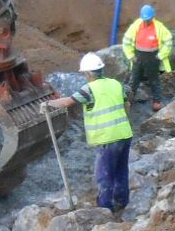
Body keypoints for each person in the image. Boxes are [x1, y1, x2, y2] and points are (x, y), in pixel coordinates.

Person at [48, 52, 133, 212]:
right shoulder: (115, 84)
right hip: (124, 134)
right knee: (121, 170)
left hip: (108, 139)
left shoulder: (89, 89)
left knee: (104, 174)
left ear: (88, 73)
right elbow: (127, 105)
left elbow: (68, 102)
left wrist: (48, 104)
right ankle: (122, 202)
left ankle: (104, 208)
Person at [121, 4, 174, 108]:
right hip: (138, 56)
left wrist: (160, 55)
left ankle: (157, 101)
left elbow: (168, 41)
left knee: (154, 79)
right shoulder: (136, 25)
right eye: (145, 19)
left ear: (152, 17)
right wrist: (131, 55)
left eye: (148, 19)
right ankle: (129, 101)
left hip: (153, 57)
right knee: (134, 79)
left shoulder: (159, 27)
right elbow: (126, 40)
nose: (146, 21)